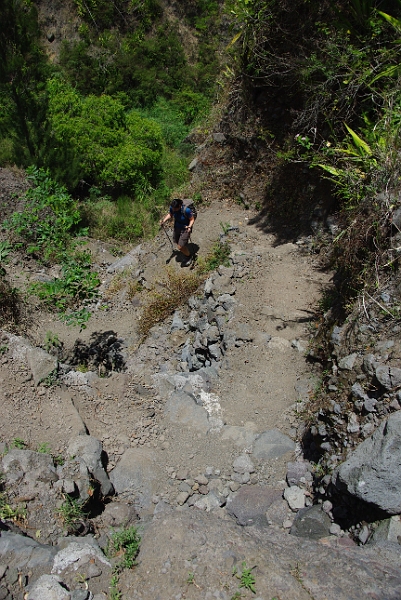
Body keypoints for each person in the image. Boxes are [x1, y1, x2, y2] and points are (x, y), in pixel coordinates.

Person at [160, 198, 195, 266]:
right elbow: (170, 214)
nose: (173, 210)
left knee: (180, 247)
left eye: (175, 209)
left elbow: (192, 219)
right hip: (177, 227)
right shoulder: (172, 208)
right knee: (176, 241)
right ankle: (184, 246)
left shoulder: (186, 210)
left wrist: (189, 227)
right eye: (173, 208)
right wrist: (164, 221)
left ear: (179, 206)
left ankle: (189, 256)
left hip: (185, 228)